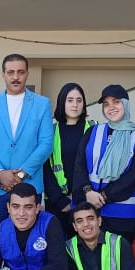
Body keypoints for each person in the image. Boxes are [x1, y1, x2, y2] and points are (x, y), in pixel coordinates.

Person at [0, 54, 54, 254]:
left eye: (20, 72)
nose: (15, 77)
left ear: (27, 74)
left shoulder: (42, 104)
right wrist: (0, 173)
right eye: (10, 72)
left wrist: (20, 174)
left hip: (29, 184)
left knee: (28, 244)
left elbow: (46, 143)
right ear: (3, 74)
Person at [74, 84, 135, 244]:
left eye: (116, 102)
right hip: (90, 210)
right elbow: (80, 165)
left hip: (122, 214)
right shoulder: (93, 131)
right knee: (91, 257)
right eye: (106, 104)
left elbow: (134, 175)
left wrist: (103, 196)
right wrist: (88, 192)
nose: (111, 107)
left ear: (126, 104)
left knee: (117, 257)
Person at [0, 183, 68, 270]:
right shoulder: (2, 228)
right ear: (8, 207)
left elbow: (59, 267)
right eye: (15, 206)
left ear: (37, 208)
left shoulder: (50, 223)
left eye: (28, 207)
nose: (21, 213)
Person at [44, 82, 93, 237]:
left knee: (85, 246)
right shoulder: (50, 131)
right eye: (70, 100)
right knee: (58, 245)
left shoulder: (94, 129)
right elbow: (45, 167)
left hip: (87, 201)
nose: (75, 105)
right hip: (57, 202)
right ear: (62, 102)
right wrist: (60, 200)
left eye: (79, 100)